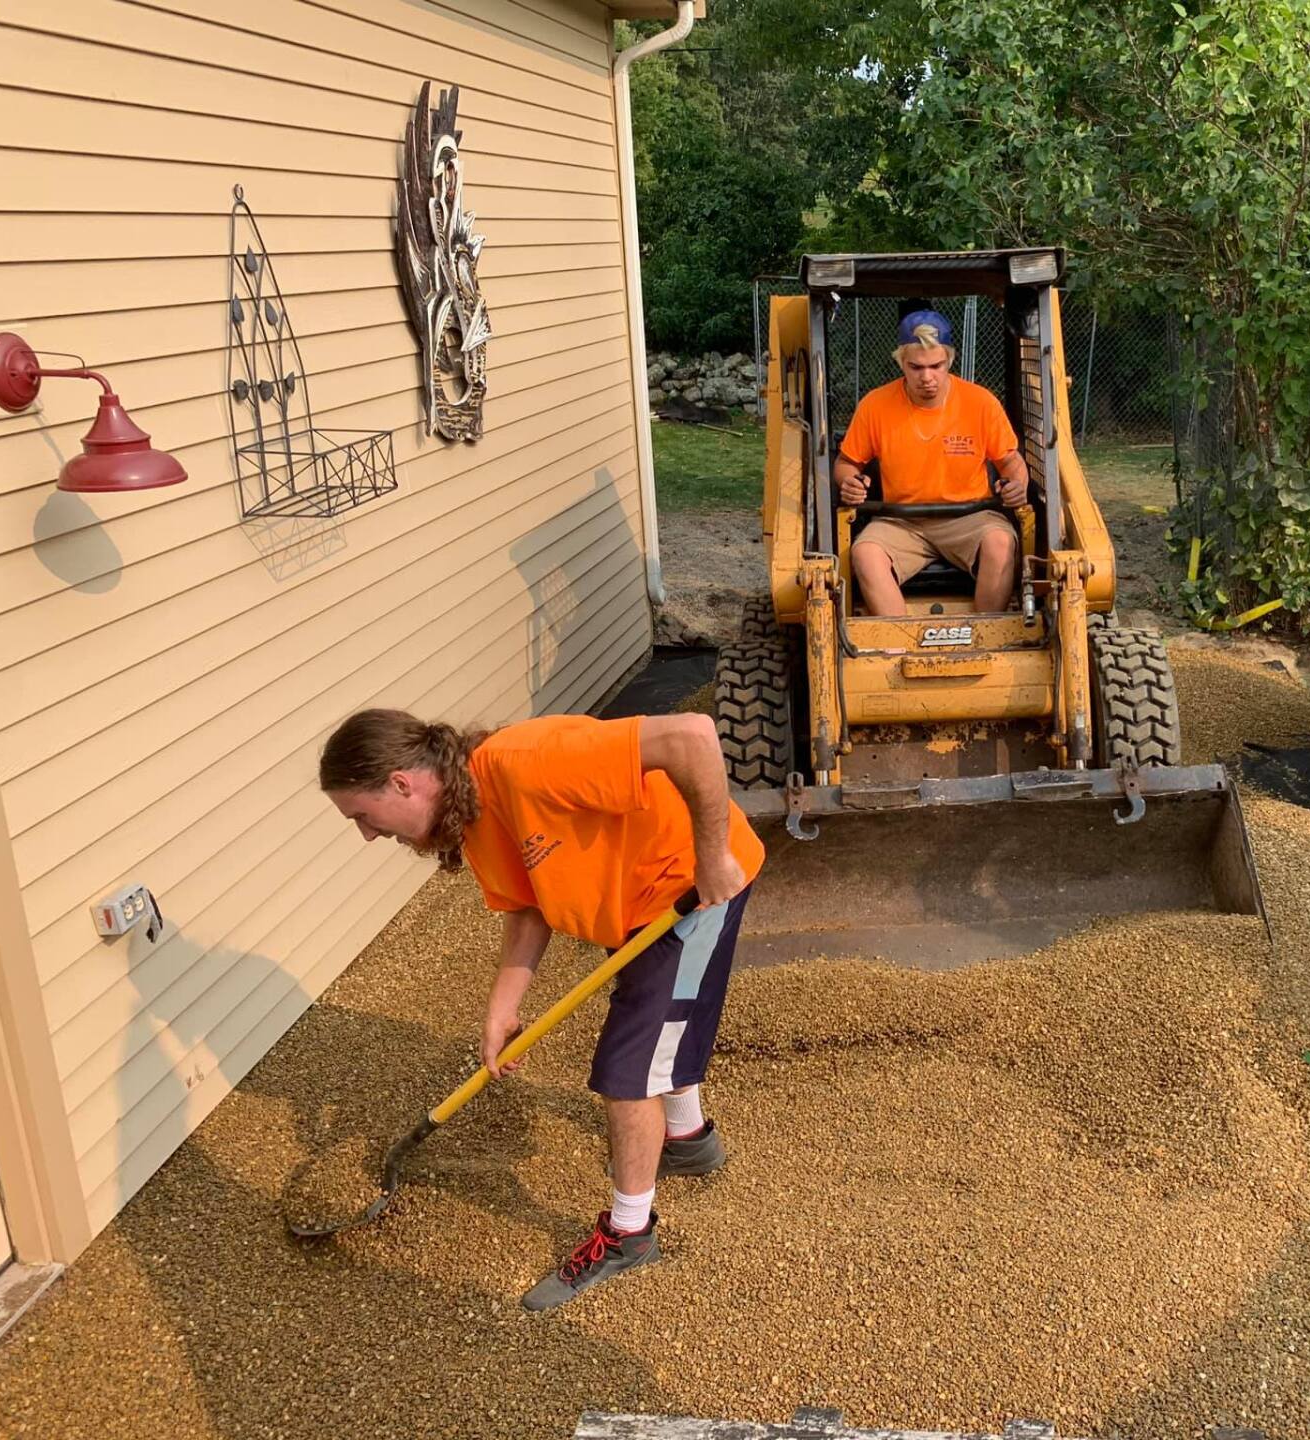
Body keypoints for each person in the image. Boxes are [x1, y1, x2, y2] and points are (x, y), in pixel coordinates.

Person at [318, 708, 762, 1312]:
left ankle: (630, 1234)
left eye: (362, 816)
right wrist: (503, 1008)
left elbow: (693, 735)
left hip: (687, 890)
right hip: (632, 904)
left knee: (629, 1071)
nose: (368, 835)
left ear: (401, 782)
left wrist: (711, 856)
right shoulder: (471, 813)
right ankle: (687, 1140)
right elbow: (527, 904)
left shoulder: (529, 762)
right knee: (660, 1035)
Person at [833, 309, 1033, 615]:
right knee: (864, 553)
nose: (927, 377)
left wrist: (1017, 485)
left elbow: (1011, 461)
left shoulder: (980, 403)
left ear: (950, 360)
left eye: (936, 366)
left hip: (970, 517)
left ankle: (984, 637)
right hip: (902, 520)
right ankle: (899, 647)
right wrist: (849, 482)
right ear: (901, 362)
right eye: (916, 367)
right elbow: (846, 463)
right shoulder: (875, 405)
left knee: (1001, 543)